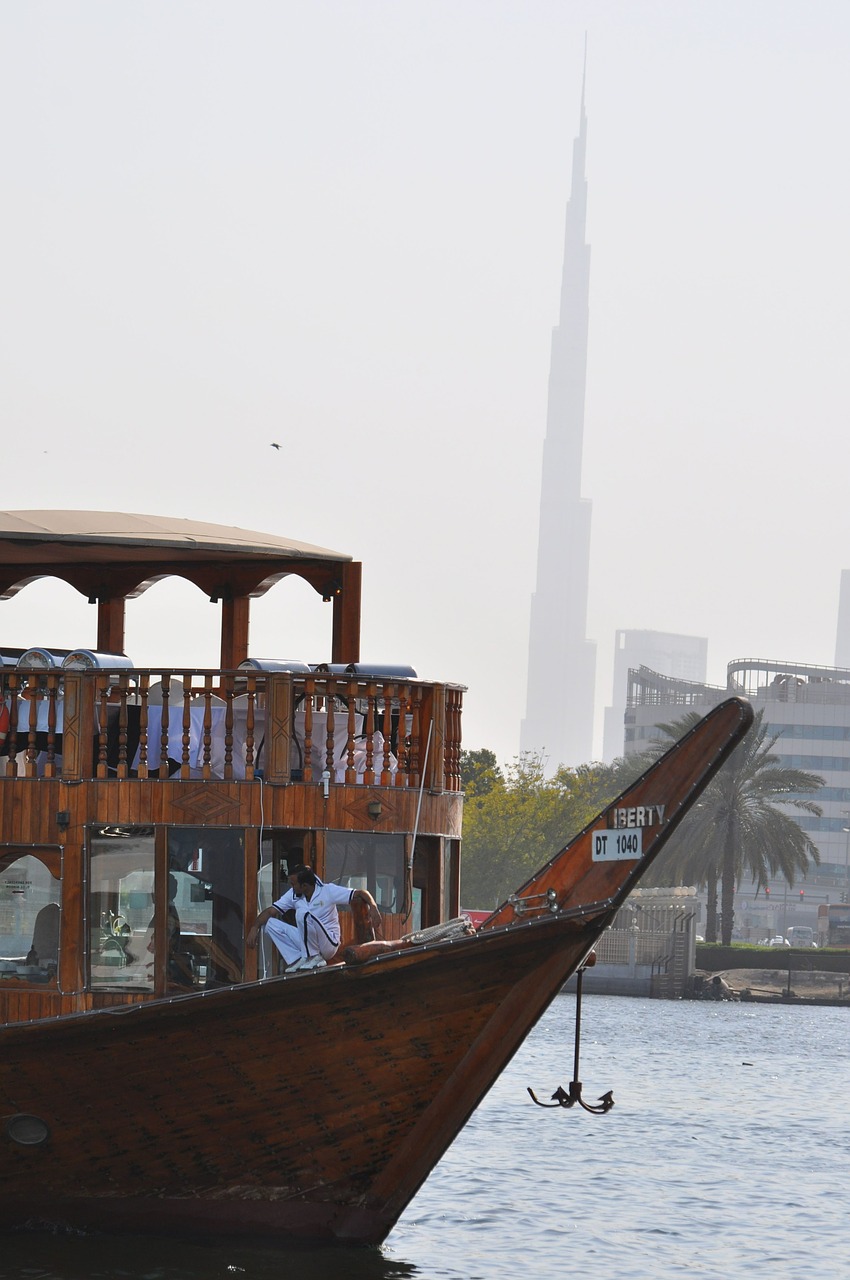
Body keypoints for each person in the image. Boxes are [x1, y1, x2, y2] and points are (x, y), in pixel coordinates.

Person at [248, 867, 381, 973]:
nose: (291, 887)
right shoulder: (294, 894)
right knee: (270, 923)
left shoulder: (328, 891)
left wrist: (373, 908)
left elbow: (360, 892)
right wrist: (255, 927)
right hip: (307, 944)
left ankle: (314, 957)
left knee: (302, 913)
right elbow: (271, 911)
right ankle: (297, 959)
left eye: (293, 884)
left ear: (304, 886)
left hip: (328, 944)